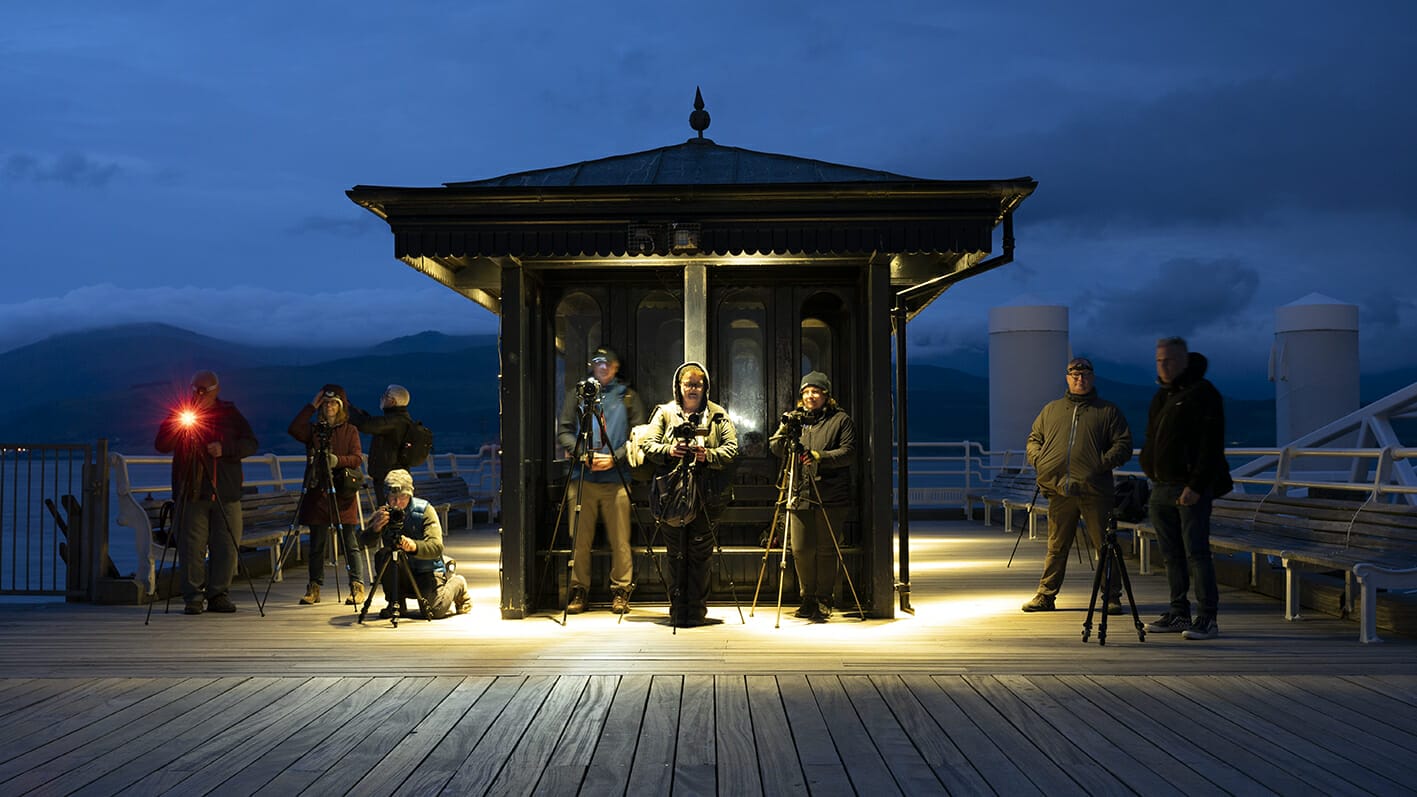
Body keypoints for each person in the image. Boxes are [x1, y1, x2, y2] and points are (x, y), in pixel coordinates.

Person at [1020, 357, 1133, 614]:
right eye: (1074, 374)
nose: (1079, 378)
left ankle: (1112, 597)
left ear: (1092, 377)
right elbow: (1034, 438)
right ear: (1067, 377)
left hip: (1096, 490)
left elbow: (1123, 444)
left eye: (1084, 374)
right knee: (1056, 546)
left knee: (1105, 545)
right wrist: (1039, 460)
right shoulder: (1051, 410)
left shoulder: (1108, 411)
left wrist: (1100, 464)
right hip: (1060, 490)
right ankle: (1046, 595)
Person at [1140, 337, 1233, 641]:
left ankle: (1207, 617)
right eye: (1158, 361)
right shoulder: (1162, 396)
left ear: (1184, 360)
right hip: (1161, 486)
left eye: (1168, 360)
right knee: (1171, 555)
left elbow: (1211, 444)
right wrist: (1149, 469)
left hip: (1188, 488)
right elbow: (1152, 438)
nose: (1163, 366)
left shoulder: (1202, 393)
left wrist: (1196, 484)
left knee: (1197, 553)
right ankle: (1178, 611)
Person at [639, 362, 739, 627]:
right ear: (679, 386)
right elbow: (648, 444)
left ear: (705, 387)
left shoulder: (717, 415)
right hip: (671, 496)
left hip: (707, 496)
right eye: (688, 384)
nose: (693, 389)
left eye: (698, 384)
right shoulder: (664, 413)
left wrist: (708, 455)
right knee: (675, 554)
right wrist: (670, 451)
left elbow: (731, 449)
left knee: (700, 555)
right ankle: (677, 610)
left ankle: (695, 611)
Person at [154, 370, 259, 615]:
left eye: (205, 390)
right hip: (191, 492)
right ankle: (193, 597)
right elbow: (162, 445)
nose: (199, 394)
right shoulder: (180, 412)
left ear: (216, 389)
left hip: (226, 492)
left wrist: (225, 448)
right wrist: (177, 425)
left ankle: (219, 595)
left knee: (226, 546)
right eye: (196, 389)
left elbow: (251, 444)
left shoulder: (230, 414)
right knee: (192, 547)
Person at [555, 346, 648, 615]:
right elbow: (564, 431)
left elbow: (640, 435)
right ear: (592, 366)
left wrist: (615, 458)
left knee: (620, 538)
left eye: (608, 363)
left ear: (616, 367)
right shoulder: (578, 395)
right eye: (598, 362)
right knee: (579, 539)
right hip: (582, 478)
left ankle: (621, 590)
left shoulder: (628, 397)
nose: (603, 367)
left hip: (617, 478)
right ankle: (578, 590)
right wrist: (582, 454)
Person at [768, 371, 856, 623]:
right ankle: (807, 598)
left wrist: (820, 457)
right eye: (806, 392)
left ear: (826, 395)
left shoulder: (840, 420)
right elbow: (775, 447)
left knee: (827, 549)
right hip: (799, 492)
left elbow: (848, 452)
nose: (810, 396)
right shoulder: (797, 420)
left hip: (830, 495)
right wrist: (786, 428)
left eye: (815, 391)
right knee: (800, 549)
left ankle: (824, 599)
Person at [288, 384, 367, 606]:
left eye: (333, 403)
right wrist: (311, 406)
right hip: (318, 493)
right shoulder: (314, 430)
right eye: (325, 403)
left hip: (342, 493)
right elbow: (294, 429)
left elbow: (357, 458)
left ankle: (357, 586)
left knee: (350, 542)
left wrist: (337, 461)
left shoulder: (350, 430)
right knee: (317, 544)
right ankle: (314, 587)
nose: (329, 406)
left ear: (341, 406)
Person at [366, 469, 471, 619]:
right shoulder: (384, 513)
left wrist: (414, 546)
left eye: (402, 497)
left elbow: (436, 547)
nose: (397, 502)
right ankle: (395, 603)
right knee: (383, 555)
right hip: (402, 572)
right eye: (392, 497)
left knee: (435, 610)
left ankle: (458, 584)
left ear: (410, 494)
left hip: (427, 571)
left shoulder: (424, 511)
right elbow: (362, 542)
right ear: (386, 496)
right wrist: (374, 529)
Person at [349, 384, 414, 506]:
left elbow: (366, 425)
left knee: (390, 512)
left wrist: (347, 409)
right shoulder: (400, 419)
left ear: (392, 401)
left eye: (386, 396)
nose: (382, 398)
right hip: (394, 476)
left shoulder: (395, 421)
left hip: (391, 478)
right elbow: (371, 422)